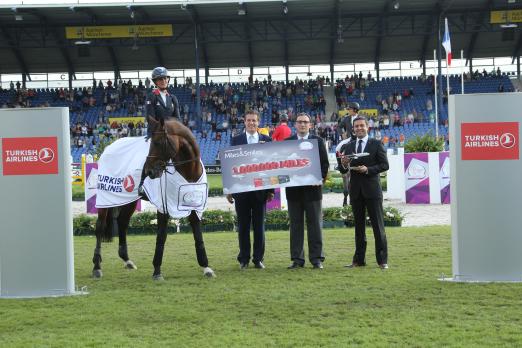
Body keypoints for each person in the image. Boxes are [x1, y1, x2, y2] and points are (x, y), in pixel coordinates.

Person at [339, 116, 389, 269]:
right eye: (356, 126)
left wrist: (368, 170)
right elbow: (343, 170)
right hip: (356, 191)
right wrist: (343, 164)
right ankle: (359, 260)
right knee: (358, 228)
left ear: (368, 127)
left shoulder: (376, 144)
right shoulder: (349, 146)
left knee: (378, 227)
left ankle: (382, 261)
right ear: (353, 129)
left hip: (372, 191)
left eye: (362, 125)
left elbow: (384, 165)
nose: (359, 128)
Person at [226, 110, 274, 270]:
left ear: (258, 122)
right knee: (243, 226)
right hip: (241, 190)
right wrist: (229, 189)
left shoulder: (267, 140)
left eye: (254, 120)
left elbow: (272, 165)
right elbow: (231, 164)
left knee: (259, 227)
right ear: (244, 122)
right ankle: (244, 259)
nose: (251, 123)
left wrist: (271, 190)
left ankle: (258, 259)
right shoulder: (236, 140)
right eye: (249, 120)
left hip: (261, 190)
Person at [285, 112, 329, 269]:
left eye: (305, 122)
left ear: (310, 125)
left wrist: (319, 179)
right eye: (299, 122)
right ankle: (297, 259)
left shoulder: (318, 141)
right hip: (294, 192)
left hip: (313, 191)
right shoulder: (287, 143)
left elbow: (325, 164)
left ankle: (316, 259)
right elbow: (283, 165)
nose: (302, 124)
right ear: (295, 125)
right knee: (295, 226)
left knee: (315, 225)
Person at [138, 67, 180, 197]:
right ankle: (142, 184)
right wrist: (157, 131)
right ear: (155, 82)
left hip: (171, 133)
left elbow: (177, 118)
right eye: (160, 79)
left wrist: (174, 130)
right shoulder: (152, 97)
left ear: (168, 79)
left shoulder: (173, 98)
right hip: (156, 132)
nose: (163, 81)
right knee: (150, 155)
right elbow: (150, 117)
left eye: (165, 78)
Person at [337, 102, 359, 206]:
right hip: (349, 139)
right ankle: (340, 165)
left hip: (360, 139)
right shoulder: (346, 118)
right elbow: (339, 127)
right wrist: (342, 134)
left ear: (354, 110)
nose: (348, 110)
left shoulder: (361, 118)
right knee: (338, 148)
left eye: (350, 109)